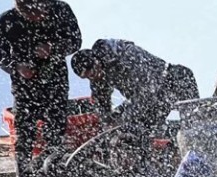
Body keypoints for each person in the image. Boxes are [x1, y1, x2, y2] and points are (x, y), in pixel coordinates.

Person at [0, 0, 80, 177]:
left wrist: (53, 48)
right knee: (25, 136)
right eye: (27, 14)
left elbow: (76, 40)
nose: (34, 18)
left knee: (55, 133)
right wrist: (16, 67)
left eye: (37, 13)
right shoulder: (8, 20)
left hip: (55, 83)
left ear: (43, 4)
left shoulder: (61, 10)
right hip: (25, 87)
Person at [71, 39, 200, 142]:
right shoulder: (98, 78)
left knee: (192, 128)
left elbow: (148, 91)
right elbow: (102, 104)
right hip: (149, 98)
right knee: (141, 133)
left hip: (172, 80)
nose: (94, 78)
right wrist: (108, 123)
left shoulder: (123, 53)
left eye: (93, 73)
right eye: (88, 77)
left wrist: (124, 118)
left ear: (96, 60)